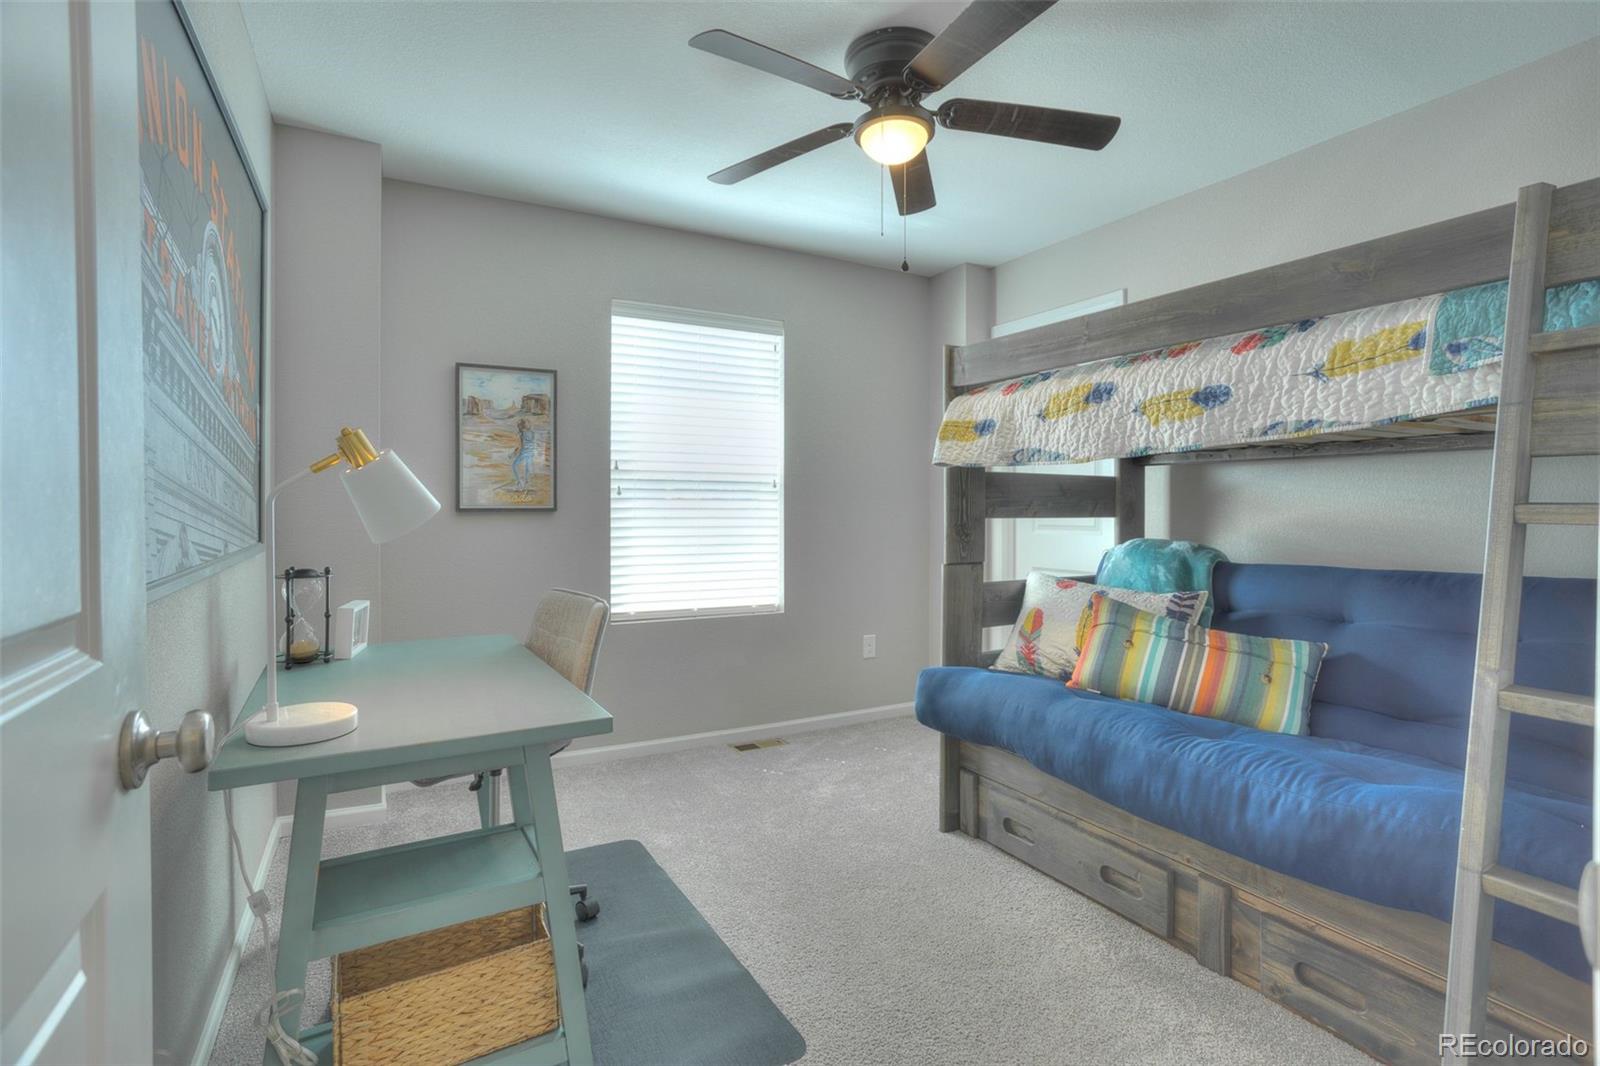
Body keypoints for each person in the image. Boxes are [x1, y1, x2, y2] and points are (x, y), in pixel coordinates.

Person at [511, 417, 539, 490]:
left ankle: (519, 481)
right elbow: (533, 444)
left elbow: (520, 446)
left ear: (521, 426)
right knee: (527, 468)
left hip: (524, 453)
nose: (518, 427)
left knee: (514, 466)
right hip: (531, 453)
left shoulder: (522, 434)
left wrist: (513, 453)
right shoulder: (533, 433)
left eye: (519, 426)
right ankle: (526, 483)